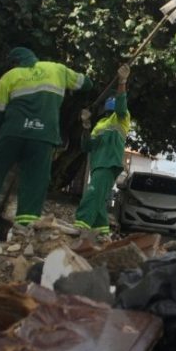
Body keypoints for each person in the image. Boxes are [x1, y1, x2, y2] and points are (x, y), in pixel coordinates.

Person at [0, 47, 92, 246]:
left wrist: (4, 136)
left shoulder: (9, 76)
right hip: (43, 138)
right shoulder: (56, 69)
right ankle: (23, 241)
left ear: (15, 62)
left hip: (12, 134)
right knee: (34, 188)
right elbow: (86, 84)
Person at [74, 64, 132, 239]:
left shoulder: (122, 117)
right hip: (98, 165)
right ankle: (103, 233)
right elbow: (87, 147)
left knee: (92, 195)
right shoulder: (99, 125)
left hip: (109, 163)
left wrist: (122, 82)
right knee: (98, 201)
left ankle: (80, 226)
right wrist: (85, 126)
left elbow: (121, 105)